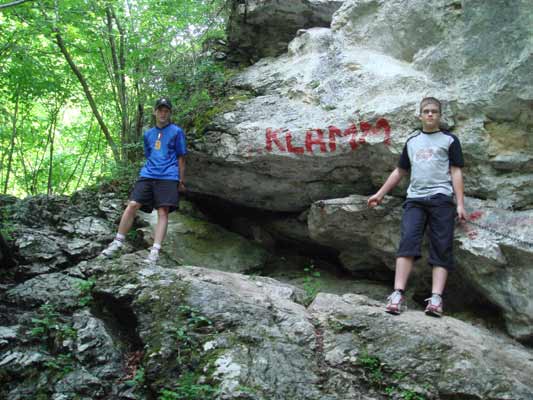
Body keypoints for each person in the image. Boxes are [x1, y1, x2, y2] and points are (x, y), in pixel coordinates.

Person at [367, 97, 466, 317]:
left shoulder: (449, 140)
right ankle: (397, 294)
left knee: (441, 246)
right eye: (426, 111)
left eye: (434, 111)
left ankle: (436, 299)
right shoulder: (412, 141)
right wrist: (380, 194)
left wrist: (460, 204)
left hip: (441, 199)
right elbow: (400, 170)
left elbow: (456, 171)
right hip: (415, 200)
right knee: (408, 242)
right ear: (419, 115)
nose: (430, 115)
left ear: (439, 116)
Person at [101, 97, 187, 264]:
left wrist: (180, 180)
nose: (163, 113)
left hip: (168, 176)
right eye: (160, 110)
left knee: (163, 211)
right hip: (148, 174)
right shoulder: (148, 134)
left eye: (166, 111)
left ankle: (154, 252)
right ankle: (117, 242)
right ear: (155, 112)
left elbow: (181, 157)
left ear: (169, 113)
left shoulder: (176, 132)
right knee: (132, 204)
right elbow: (149, 154)